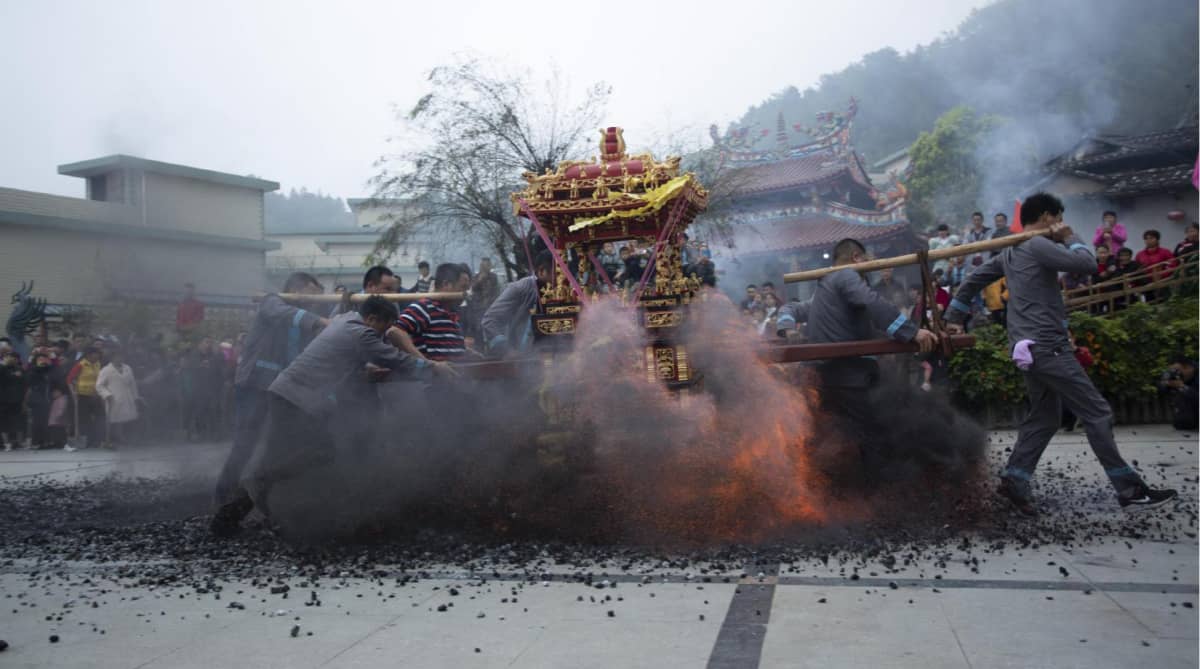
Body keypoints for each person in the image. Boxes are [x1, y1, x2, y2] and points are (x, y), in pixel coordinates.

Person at [945, 192, 1176, 514]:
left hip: (1027, 347)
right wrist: (1071, 237)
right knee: (1097, 413)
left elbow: (971, 280)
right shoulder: (1038, 245)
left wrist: (954, 317)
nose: (1060, 225)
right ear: (1046, 217)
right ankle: (1130, 490)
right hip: (1046, 346)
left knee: (1044, 417)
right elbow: (1088, 263)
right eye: (1058, 219)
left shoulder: (1011, 252)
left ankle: (1015, 480)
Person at [222, 296, 454, 532]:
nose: (384, 334)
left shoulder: (343, 321)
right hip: (295, 399)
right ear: (372, 319)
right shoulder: (361, 333)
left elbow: (339, 355)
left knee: (285, 456)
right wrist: (434, 367)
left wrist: (364, 366)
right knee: (318, 451)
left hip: (287, 394)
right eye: (384, 326)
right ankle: (257, 494)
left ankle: (233, 516)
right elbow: (395, 359)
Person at [775, 238, 937, 476]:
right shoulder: (846, 276)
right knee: (874, 433)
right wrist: (911, 332)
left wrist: (787, 326)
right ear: (856, 258)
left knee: (828, 434)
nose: (871, 265)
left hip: (818, 377)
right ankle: (882, 496)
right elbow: (872, 302)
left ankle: (838, 489)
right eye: (868, 259)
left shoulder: (826, 290)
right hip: (846, 376)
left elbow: (789, 309)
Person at [210, 272, 327, 536]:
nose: (314, 301)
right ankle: (221, 501)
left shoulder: (304, 323)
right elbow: (285, 314)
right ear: (296, 290)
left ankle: (263, 505)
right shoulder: (273, 303)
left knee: (278, 448)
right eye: (310, 293)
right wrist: (321, 320)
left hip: (279, 390)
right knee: (245, 445)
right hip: (254, 385)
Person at [481, 251, 555, 357]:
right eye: (558, 273)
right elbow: (489, 321)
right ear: (542, 271)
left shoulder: (568, 290)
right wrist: (507, 350)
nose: (564, 278)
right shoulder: (521, 289)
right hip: (523, 359)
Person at [394, 263, 473, 361]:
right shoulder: (424, 308)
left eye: (467, 289)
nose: (465, 293)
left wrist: (466, 351)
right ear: (446, 284)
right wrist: (428, 364)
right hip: (429, 376)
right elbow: (395, 332)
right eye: (463, 287)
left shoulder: (452, 313)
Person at [95, 348, 139, 448]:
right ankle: (112, 438)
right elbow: (99, 385)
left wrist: (135, 396)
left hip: (127, 396)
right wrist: (106, 395)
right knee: (114, 418)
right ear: (112, 358)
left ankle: (122, 437)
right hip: (113, 398)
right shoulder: (106, 370)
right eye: (117, 356)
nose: (120, 358)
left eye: (121, 356)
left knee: (126, 418)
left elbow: (133, 384)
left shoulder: (128, 368)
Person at [67, 347, 105, 449]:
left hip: (96, 395)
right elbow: (70, 379)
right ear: (88, 355)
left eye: (98, 354)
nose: (97, 356)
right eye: (95, 354)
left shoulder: (98, 364)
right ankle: (87, 440)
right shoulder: (80, 365)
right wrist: (73, 393)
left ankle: (98, 440)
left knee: (99, 417)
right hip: (83, 395)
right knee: (85, 419)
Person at [1160, 356, 1198, 431]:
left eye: (1177, 370)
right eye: (1173, 371)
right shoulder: (1184, 377)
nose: (1177, 374)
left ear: (1188, 367)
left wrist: (1182, 386)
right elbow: (1162, 390)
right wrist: (1166, 383)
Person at [1134, 229, 1174, 299]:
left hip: (1164, 281)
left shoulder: (1166, 252)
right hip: (1146, 283)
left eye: (1151, 238)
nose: (1148, 240)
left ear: (1157, 239)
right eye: (1146, 238)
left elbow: (1172, 265)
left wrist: (1161, 275)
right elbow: (1136, 269)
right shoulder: (1140, 254)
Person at [0, 351, 26, 450]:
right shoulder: (2, 368)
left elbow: (24, 383)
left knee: (18, 421)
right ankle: (7, 443)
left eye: (13, 358)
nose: (11, 359)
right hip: (3, 400)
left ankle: (19, 442)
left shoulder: (20, 369)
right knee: (3, 422)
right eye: (8, 357)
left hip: (17, 400)